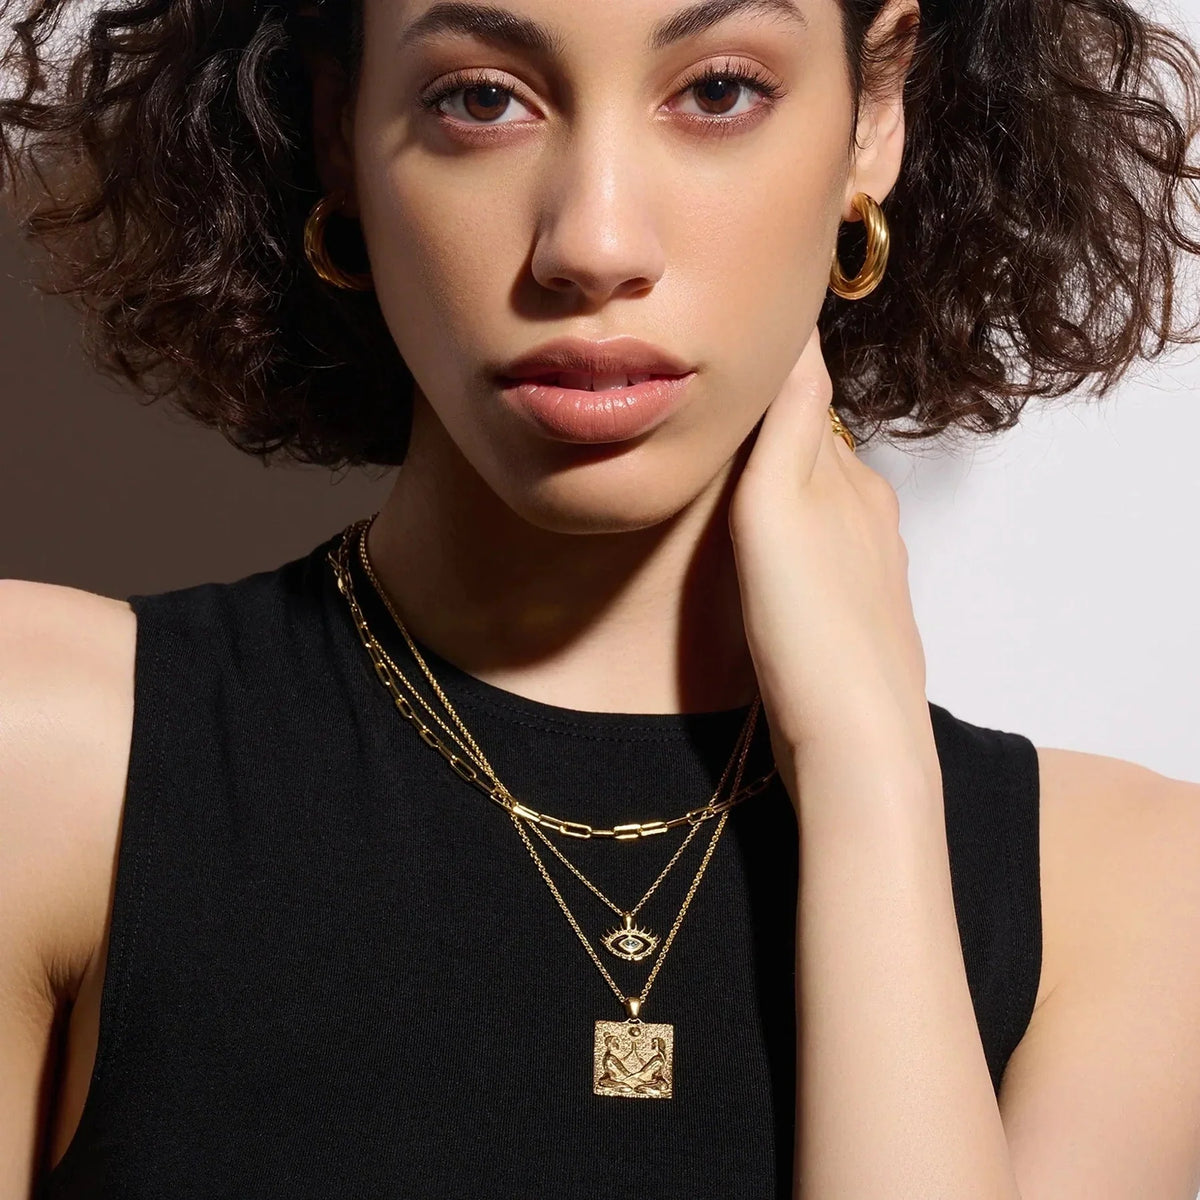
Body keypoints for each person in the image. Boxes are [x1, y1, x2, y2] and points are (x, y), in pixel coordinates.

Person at [2, 0, 1200, 1196]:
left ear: (875, 109)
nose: (594, 243)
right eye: (482, 99)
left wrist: (867, 770)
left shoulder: (1129, 900)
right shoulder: (48, 749)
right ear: (338, 130)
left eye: (719, 91)